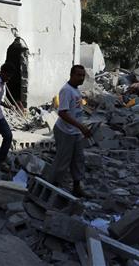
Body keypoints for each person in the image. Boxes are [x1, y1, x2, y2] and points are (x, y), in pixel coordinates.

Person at [42, 65, 92, 198]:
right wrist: (81, 127)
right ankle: (51, 189)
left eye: (83, 75)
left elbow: (75, 111)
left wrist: (81, 127)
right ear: (71, 75)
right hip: (65, 131)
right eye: (78, 75)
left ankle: (76, 187)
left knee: (78, 160)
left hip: (75, 132)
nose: (81, 78)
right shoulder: (66, 90)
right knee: (62, 161)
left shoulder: (76, 90)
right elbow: (62, 113)